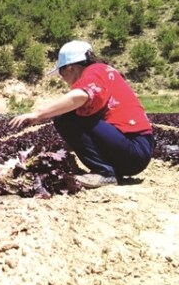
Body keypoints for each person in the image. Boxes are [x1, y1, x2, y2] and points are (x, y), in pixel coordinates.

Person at [9, 40, 155, 188]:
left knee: (65, 117)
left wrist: (38, 114)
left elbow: (77, 97)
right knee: (75, 115)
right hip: (135, 151)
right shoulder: (106, 72)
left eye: (61, 72)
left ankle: (104, 173)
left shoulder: (95, 71)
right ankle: (108, 170)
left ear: (71, 68)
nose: (62, 78)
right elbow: (90, 132)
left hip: (133, 148)